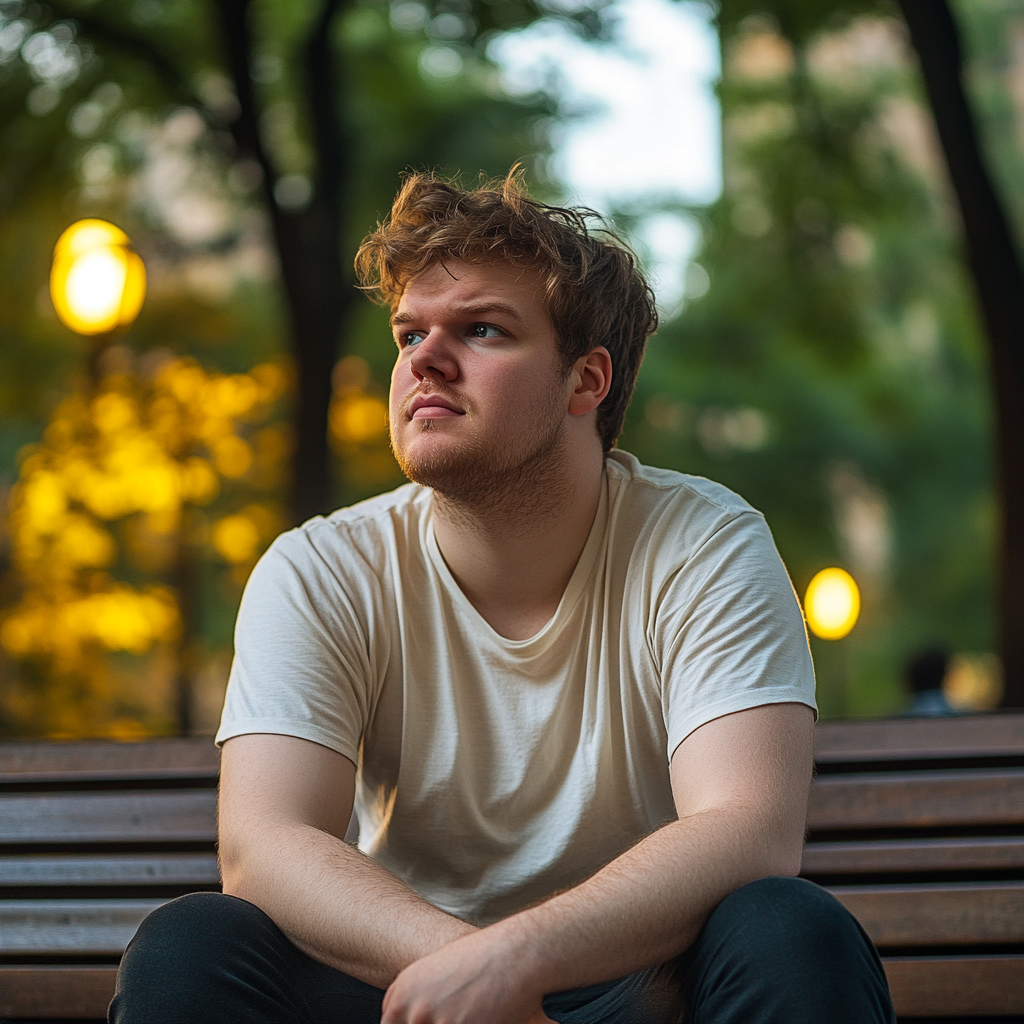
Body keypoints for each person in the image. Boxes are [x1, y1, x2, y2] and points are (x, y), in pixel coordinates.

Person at [111, 171, 894, 1024]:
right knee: (195, 944)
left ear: (584, 382)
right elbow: (265, 847)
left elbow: (748, 828)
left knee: (789, 927)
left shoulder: (703, 545)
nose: (424, 360)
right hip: (403, 986)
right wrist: (470, 968)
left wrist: (522, 958)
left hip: (639, 988)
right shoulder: (322, 569)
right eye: (409, 334)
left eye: (481, 329)